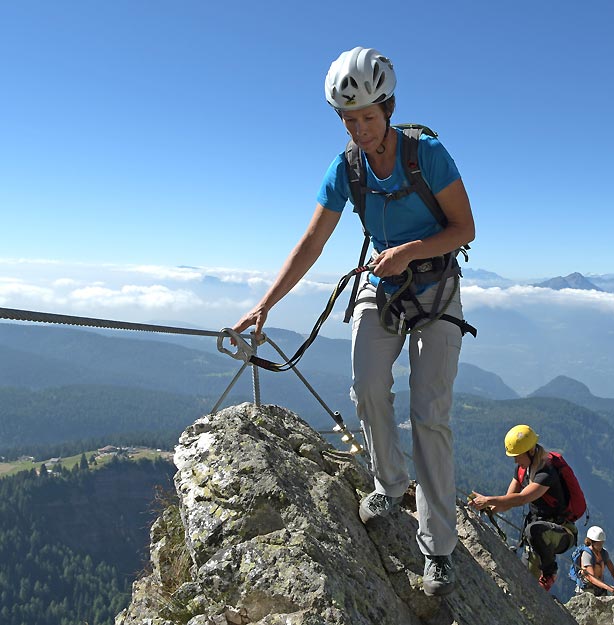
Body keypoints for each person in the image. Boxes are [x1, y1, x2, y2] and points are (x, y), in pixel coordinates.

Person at [232, 46, 474, 597]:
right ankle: (390, 484)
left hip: (434, 286)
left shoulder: (427, 156)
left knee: (430, 413)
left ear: (387, 108)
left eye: (367, 116)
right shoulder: (346, 168)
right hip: (384, 285)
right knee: (367, 387)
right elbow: (312, 240)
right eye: (348, 119)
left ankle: (438, 546)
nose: (359, 129)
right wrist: (266, 303)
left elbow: (464, 228)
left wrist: (410, 251)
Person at [469, 425, 578, 592]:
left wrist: (488, 499)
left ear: (531, 451)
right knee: (528, 587)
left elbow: (522, 498)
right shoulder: (522, 469)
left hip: (561, 532)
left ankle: (550, 572)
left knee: (534, 530)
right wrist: (488, 508)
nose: (515, 460)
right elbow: (509, 500)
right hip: (535, 534)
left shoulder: (547, 472)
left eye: (517, 456)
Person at [576, 525, 614, 597]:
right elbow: (591, 578)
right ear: (592, 542)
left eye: (602, 543)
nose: (601, 545)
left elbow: (613, 571)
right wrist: (610, 588)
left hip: (600, 586)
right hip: (587, 589)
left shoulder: (603, 553)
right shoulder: (587, 554)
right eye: (598, 543)